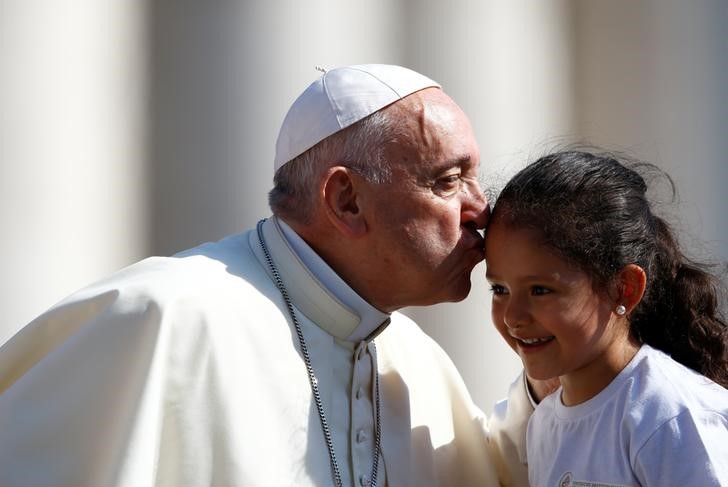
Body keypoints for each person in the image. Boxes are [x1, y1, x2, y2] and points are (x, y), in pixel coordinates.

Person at [0, 64, 540, 486]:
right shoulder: (162, 318)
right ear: (347, 201)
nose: (482, 209)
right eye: (448, 181)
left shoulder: (416, 361)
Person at [484, 149, 728, 486]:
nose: (513, 316)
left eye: (540, 290)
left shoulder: (669, 417)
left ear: (623, 289)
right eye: (499, 289)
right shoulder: (543, 426)